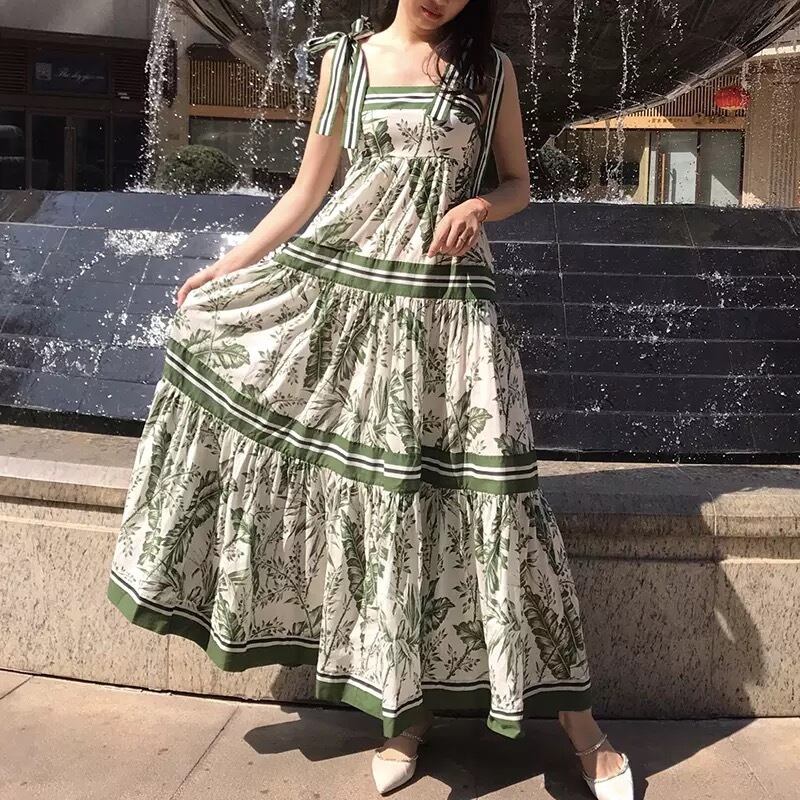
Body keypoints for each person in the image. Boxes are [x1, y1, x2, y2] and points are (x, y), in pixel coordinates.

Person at [105, 1, 633, 798]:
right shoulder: (346, 61)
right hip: (353, 300)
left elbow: (518, 183)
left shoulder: (488, 70)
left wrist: (480, 204)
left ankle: (580, 727)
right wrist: (232, 265)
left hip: (451, 312)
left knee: (500, 503)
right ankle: (404, 716)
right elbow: (309, 189)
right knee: (394, 505)